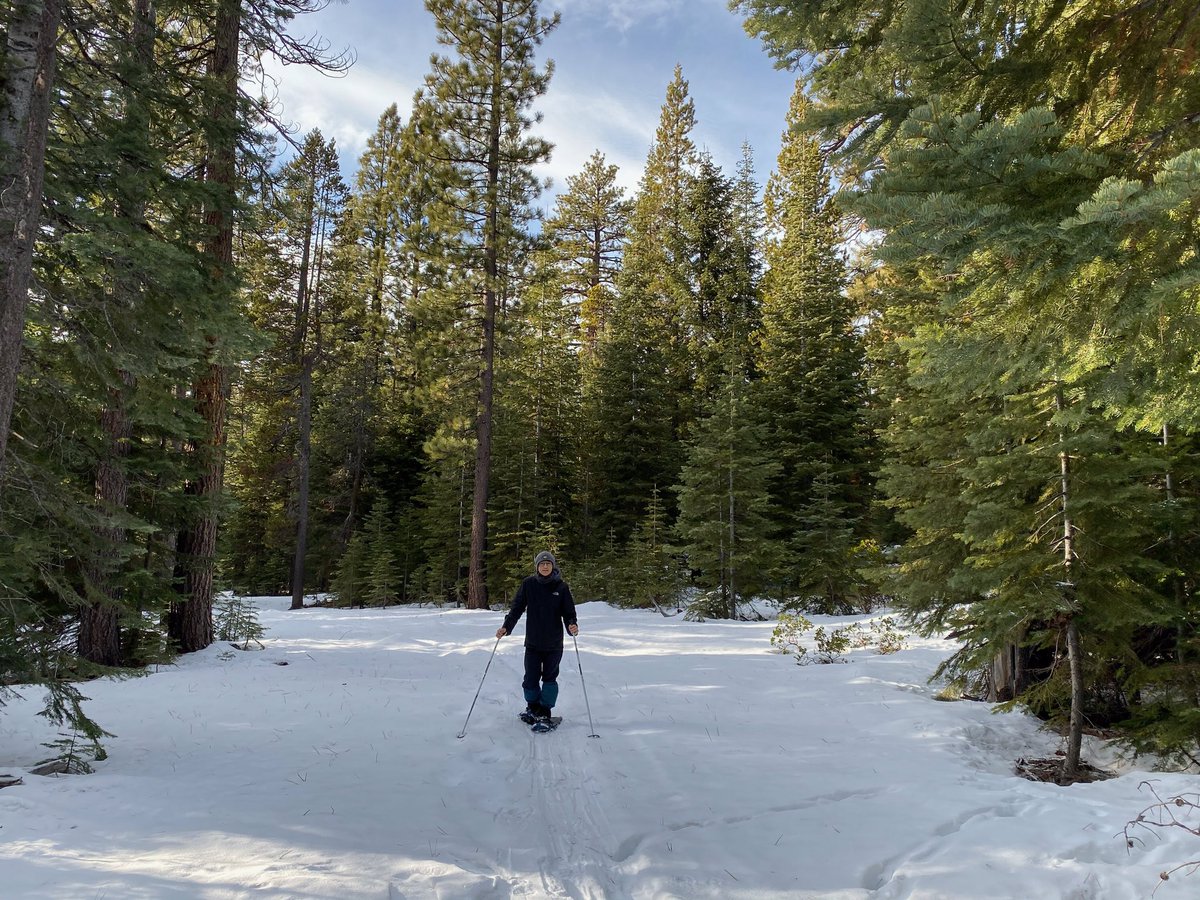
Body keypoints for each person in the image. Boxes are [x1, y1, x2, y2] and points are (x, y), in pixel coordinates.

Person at [496, 550, 578, 721]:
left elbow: (569, 611)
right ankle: (533, 707)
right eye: (542, 563)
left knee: (549, 678)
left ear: (553, 566)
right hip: (533, 642)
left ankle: (545, 711)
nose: (545, 566)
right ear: (537, 567)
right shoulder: (528, 584)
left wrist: (572, 625)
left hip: (554, 643)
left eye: (548, 563)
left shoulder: (561, 587)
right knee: (530, 679)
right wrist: (506, 627)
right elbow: (517, 608)